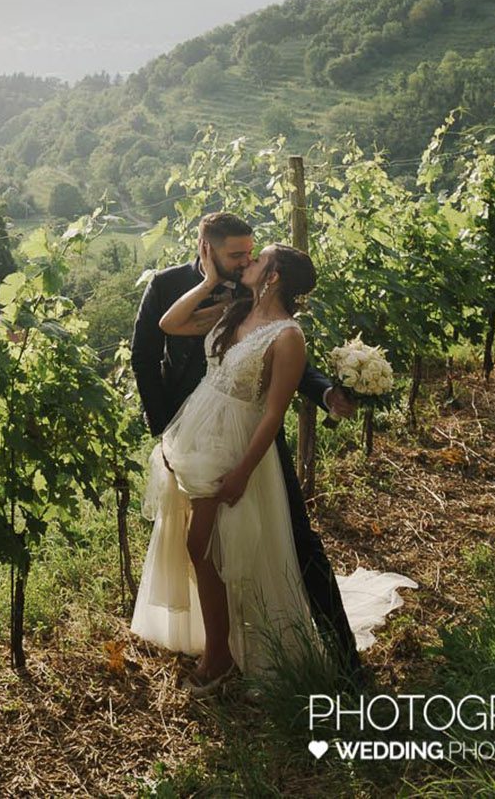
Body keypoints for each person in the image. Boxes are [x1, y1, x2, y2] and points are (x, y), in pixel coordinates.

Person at [129, 219, 367, 688]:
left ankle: (340, 658)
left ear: (271, 274)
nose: (245, 263)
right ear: (208, 250)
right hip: (195, 432)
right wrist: (167, 431)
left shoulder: (279, 325)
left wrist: (323, 393)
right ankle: (219, 646)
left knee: (288, 540)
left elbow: (284, 374)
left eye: (252, 257)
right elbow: (152, 344)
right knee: (201, 545)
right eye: (238, 256)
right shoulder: (200, 293)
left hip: (245, 436)